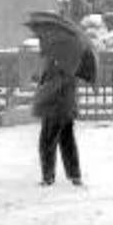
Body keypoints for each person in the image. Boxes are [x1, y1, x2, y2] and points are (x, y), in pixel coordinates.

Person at [32, 55, 82, 186]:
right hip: (66, 106)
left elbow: (54, 84)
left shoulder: (58, 60)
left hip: (55, 107)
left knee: (47, 142)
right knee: (67, 141)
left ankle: (48, 177)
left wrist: (40, 91)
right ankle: (74, 174)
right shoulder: (71, 58)